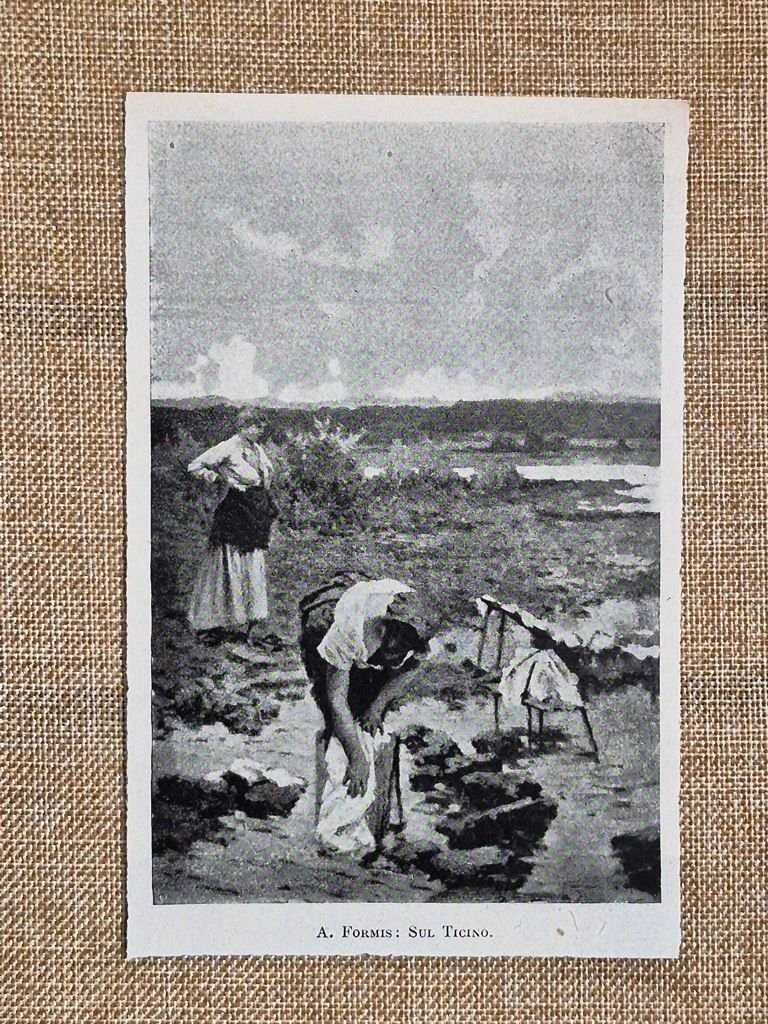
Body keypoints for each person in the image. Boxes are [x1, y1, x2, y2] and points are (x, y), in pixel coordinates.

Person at [299, 571, 431, 856]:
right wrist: (357, 757)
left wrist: (378, 705)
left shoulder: (412, 626)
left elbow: (415, 664)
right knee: (337, 728)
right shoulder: (344, 634)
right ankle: (332, 813)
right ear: (379, 638)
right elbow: (336, 700)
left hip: (368, 648)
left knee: (371, 722)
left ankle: (382, 813)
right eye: (385, 661)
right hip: (322, 641)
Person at [187, 416, 278, 646]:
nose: (258, 430)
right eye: (255, 426)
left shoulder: (255, 448)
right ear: (243, 427)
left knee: (251, 561)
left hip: (254, 511)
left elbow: (264, 476)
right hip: (235, 510)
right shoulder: (228, 446)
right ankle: (213, 620)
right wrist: (222, 480)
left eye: (261, 427)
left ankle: (249, 620)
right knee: (229, 560)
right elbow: (195, 466)